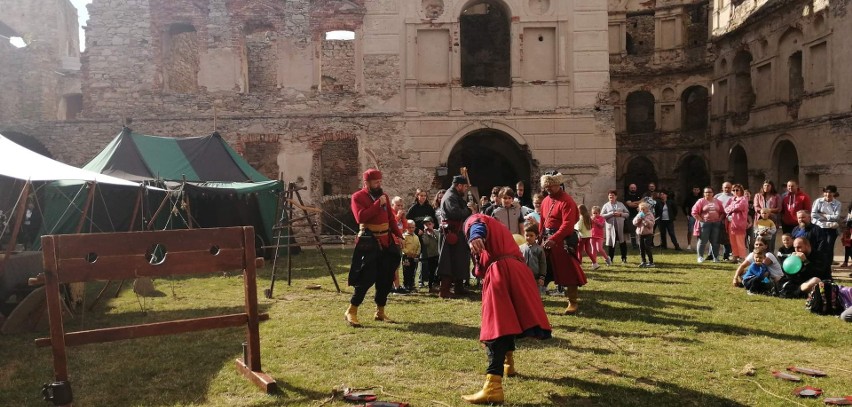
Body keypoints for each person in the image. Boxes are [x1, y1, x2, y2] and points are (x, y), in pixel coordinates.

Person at [461, 213, 552, 404]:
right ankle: (508, 364)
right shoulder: (500, 228)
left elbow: (476, 226)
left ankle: (492, 386)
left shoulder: (475, 219)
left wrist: (474, 236)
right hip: (519, 272)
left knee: (497, 327)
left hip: (501, 273)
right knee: (510, 321)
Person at [345, 169, 403, 327]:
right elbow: (361, 217)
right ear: (367, 183)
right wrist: (378, 204)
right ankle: (352, 310)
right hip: (369, 242)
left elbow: (390, 218)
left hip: (386, 240)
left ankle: (380, 311)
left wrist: (399, 235)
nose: (379, 184)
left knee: (386, 277)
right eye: (375, 182)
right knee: (366, 277)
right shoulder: (358, 197)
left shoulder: (384, 196)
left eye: (380, 181)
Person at [539, 172, 587, 314]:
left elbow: (567, 225)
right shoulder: (545, 200)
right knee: (541, 269)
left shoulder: (567, 201)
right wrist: (540, 236)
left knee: (568, 271)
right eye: (546, 186)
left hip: (562, 241)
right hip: (547, 240)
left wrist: (554, 239)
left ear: (558, 184)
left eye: (551, 186)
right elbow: (543, 220)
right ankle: (536, 299)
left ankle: (572, 302)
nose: (548, 189)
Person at [437, 175, 475, 298]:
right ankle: (444, 290)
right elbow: (455, 213)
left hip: (458, 232)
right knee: (448, 261)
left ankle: (459, 287)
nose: (465, 189)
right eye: (464, 186)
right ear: (458, 185)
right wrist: (469, 210)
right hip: (451, 233)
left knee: (459, 260)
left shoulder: (456, 196)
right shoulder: (450, 197)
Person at [691, 187, 724, 263]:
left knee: (715, 241)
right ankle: (700, 257)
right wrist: (701, 220)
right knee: (703, 241)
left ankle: (715, 257)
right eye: (706, 192)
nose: (708, 194)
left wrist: (720, 219)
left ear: (713, 193)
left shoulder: (717, 201)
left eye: (710, 192)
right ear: (704, 193)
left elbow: (722, 211)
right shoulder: (701, 201)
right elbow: (694, 212)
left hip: (716, 223)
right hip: (705, 224)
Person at [811, 185, 844, 254]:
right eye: (826, 192)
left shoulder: (838, 204)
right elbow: (813, 214)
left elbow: (837, 217)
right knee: (819, 246)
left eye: (830, 192)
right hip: (819, 227)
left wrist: (824, 215)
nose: (828, 194)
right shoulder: (818, 201)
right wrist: (829, 217)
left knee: (829, 247)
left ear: (834, 193)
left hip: (831, 228)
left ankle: (828, 263)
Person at [601, 190, 630, 264]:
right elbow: (601, 216)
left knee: (622, 243)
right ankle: (610, 259)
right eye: (610, 195)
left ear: (616, 196)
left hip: (620, 227)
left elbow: (627, 214)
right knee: (611, 244)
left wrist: (620, 214)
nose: (611, 197)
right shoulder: (606, 205)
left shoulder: (621, 204)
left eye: (613, 195)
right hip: (610, 228)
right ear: (608, 197)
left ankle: (624, 259)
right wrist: (611, 214)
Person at [724, 184, 749, 263]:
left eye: (737, 190)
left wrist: (731, 208)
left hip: (739, 224)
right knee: (732, 241)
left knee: (740, 241)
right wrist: (731, 208)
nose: (735, 192)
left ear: (741, 190)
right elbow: (725, 209)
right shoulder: (731, 199)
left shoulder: (744, 199)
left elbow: (739, 207)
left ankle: (742, 257)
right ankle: (735, 256)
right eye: (733, 190)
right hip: (730, 223)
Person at [753, 180, 781, 250]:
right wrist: (763, 212)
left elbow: (779, 208)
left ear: (772, 187)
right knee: (760, 238)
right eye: (765, 185)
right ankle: (759, 255)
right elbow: (756, 207)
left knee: (771, 240)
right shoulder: (758, 195)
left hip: (772, 220)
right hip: (760, 220)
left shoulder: (776, 196)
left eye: (768, 186)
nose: (766, 187)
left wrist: (769, 211)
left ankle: (770, 256)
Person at [520, 225, 547, 295]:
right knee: (524, 292)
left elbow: (543, 263)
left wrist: (542, 277)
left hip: (536, 277)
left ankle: (536, 304)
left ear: (536, 236)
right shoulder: (520, 248)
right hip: (523, 275)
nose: (528, 237)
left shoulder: (539, 249)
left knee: (535, 293)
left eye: (531, 235)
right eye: (527, 235)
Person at [575, 204, 599, 270]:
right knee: (587, 250)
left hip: (582, 236)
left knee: (579, 251)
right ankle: (595, 263)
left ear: (580, 210)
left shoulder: (581, 218)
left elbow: (578, 228)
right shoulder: (588, 217)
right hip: (588, 236)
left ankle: (579, 265)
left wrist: (573, 227)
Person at [715, 182, 734, 261]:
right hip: (717, 219)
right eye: (725, 187)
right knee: (715, 238)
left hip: (728, 220)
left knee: (727, 239)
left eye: (729, 187)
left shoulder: (734, 197)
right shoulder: (717, 196)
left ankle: (726, 256)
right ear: (722, 188)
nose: (727, 189)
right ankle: (713, 255)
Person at [419, 217, 440, 291]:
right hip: (430, 255)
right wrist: (425, 233)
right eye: (425, 224)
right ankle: (430, 286)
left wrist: (432, 231)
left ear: (433, 224)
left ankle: (437, 284)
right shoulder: (424, 234)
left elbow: (439, 239)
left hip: (438, 254)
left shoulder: (436, 231)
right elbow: (426, 242)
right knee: (431, 271)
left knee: (439, 270)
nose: (427, 226)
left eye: (429, 224)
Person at [633, 202, 656, 267]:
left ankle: (651, 262)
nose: (642, 211)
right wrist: (639, 218)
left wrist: (645, 220)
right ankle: (643, 261)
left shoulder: (650, 215)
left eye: (643, 209)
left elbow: (651, 225)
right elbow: (634, 223)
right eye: (641, 209)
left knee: (647, 247)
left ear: (647, 209)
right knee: (641, 248)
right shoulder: (639, 214)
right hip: (640, 234)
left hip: (648, 234)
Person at [401, 220, 421, 292]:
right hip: (407, 257)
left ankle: (411, 285)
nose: (411, 229)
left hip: (414, 257)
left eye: (413, 227)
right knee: (406, 271)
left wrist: (417, 253)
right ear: (406, 227)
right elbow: (402, 247)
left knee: (413, 270)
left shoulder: (416, 236)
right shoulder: (404, 236)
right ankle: (406, 285)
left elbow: (419, 245)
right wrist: (408, 253)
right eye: (409, 227)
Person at [682, 186, 702, 250]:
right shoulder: (689, 197)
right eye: (694, 189)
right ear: (693, 190)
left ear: (699, 190)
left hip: (699, 216)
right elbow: (683, 206)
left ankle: (699, 244)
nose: (696, 191)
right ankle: (689, 244)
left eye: (697, 190)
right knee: (690, 230)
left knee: (699, 231)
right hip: (691, 216)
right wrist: (686, 214)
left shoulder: (701, 198)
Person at [624, 183, 642, 249]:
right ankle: (634, 245)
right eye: (631, 188)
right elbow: (630, 205)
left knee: (640, 230)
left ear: (636, 188)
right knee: (632, 231)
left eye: (634, 188)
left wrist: (633, 202)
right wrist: (638, 203)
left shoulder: (639, 194)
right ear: (629, 188)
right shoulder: (627, 195)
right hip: (631, 215)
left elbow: (642, 202)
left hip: (639, 215)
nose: (633, 189)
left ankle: (640, 244)